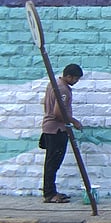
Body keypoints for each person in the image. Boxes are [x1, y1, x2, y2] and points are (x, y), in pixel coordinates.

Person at [40, 63, 84, 203]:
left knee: (50, 162)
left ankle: (50, 192)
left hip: (49, 128)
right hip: (57, 129)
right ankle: (50, 194)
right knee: (53, 163)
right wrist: (74, 121)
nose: (76, 82)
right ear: (69, 76)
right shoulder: (63, 89)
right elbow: (58, 113)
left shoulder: (53, 83)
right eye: (75, 78)